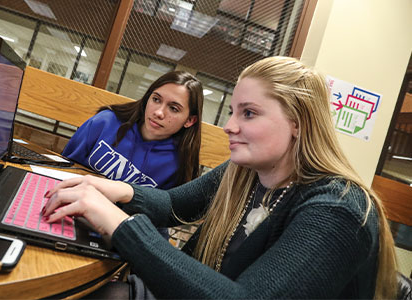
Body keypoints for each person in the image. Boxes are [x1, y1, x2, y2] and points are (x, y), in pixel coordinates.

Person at [43, 56, 397, 299]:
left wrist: (118, 224)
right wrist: (108, 188)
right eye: (232, 111)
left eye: (249, 113)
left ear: (298, 123)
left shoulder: (339, 211)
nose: (230, 126)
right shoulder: (246, 171)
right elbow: (171, 205)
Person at [61, 70, 203, 190]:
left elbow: (161, 216)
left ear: (190, 120)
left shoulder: (179, 164)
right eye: (156, 99)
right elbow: (63, 169)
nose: (159, 113)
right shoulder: (105, 122)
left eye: (173, 108)